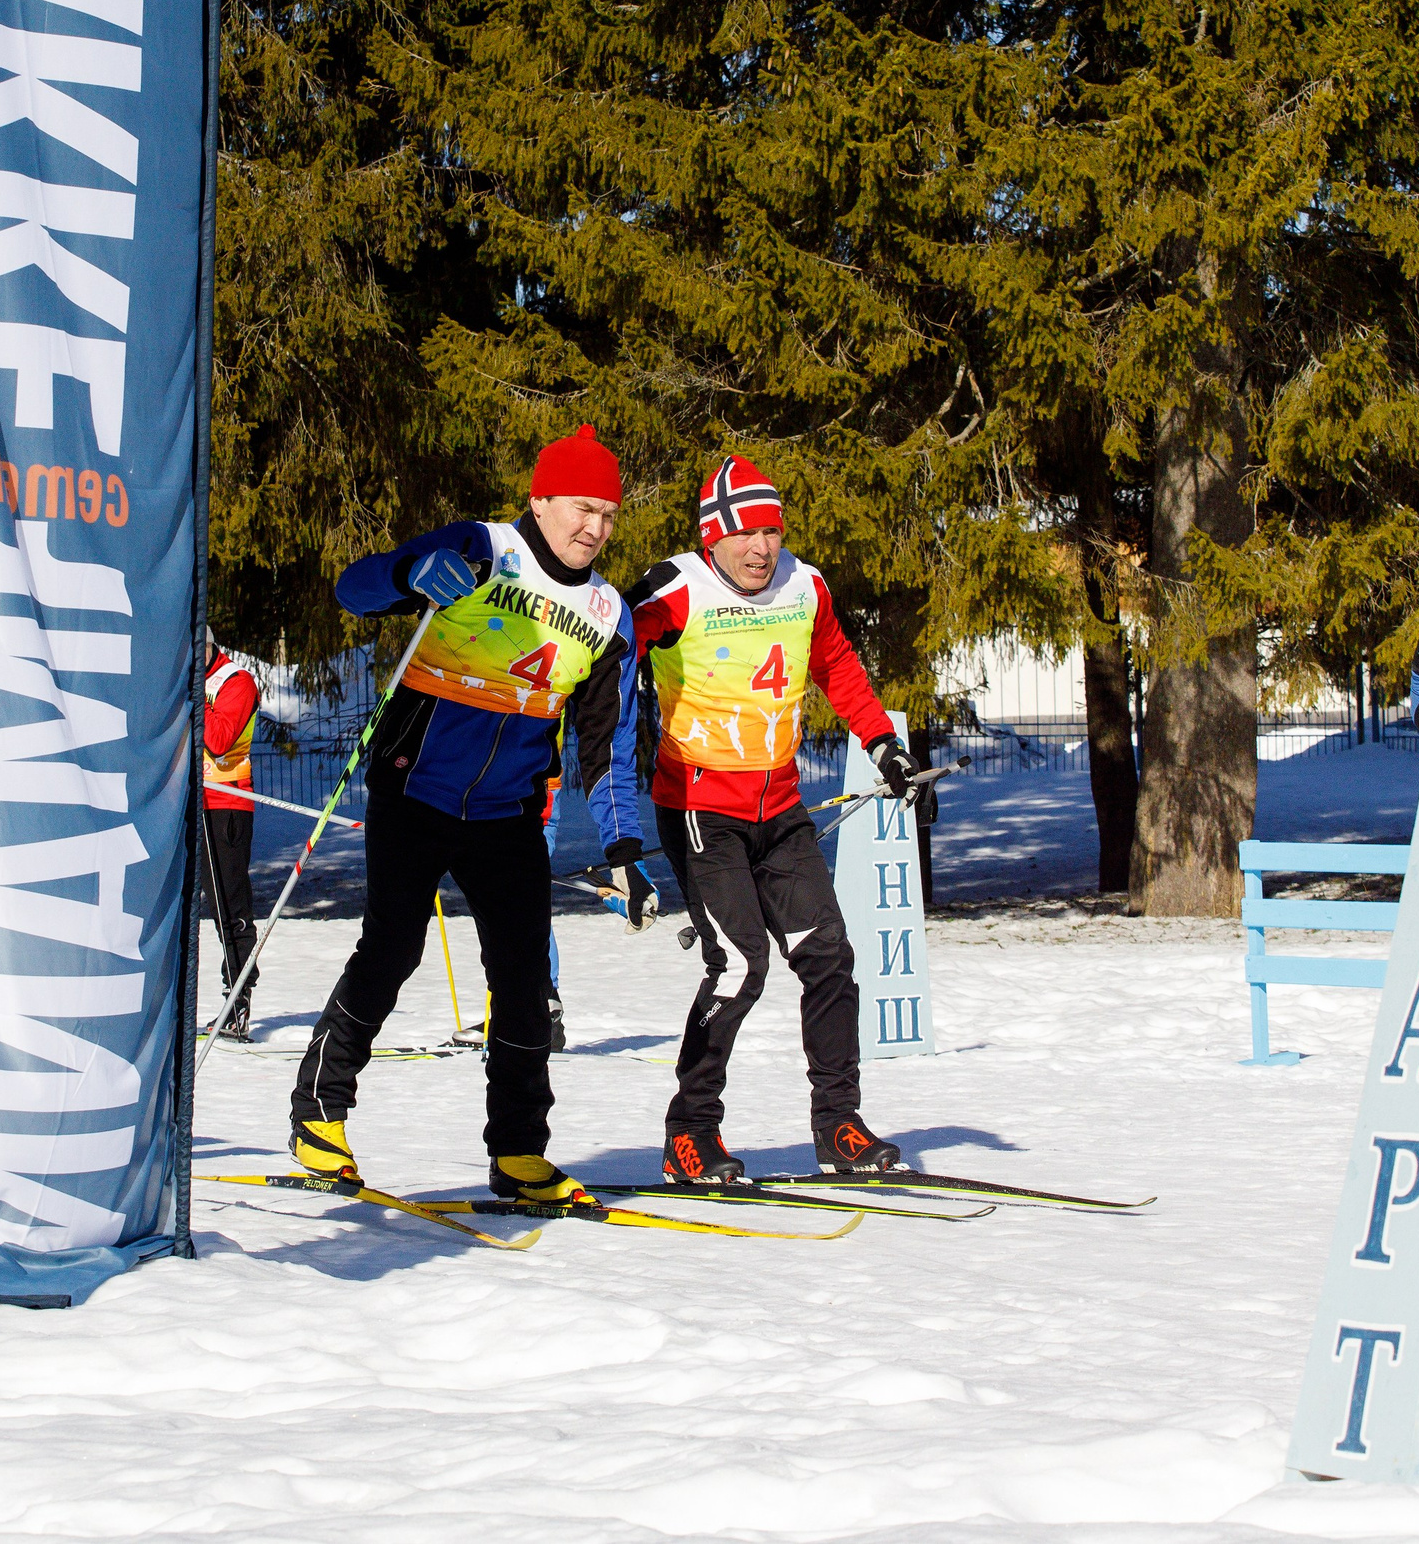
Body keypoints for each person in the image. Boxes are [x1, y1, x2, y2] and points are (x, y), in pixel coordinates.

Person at [289, 426, 658, 1203]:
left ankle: (520, 1152)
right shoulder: (483, 549)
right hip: (413, 787)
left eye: (608, 515)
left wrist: (624, 842)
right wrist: (409, 574)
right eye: (580, 508)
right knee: (392, 951)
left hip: (507, 813)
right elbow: (353, 589)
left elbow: (607, 744)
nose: (593, 527)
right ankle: (319, 1112)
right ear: (540, 500)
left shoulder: (606, 613)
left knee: (522, 980)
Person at [626, 455, 936, 1184]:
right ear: (713, 539)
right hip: (701, 809)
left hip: (781, 807)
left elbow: (835, 662)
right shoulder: (675, 589)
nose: (760, 548)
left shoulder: (805, 585)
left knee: (829, 956)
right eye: (744, 535)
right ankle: (689, 1134)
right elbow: (607, 651)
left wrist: (884, 743)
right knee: (738, 966)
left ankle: (839, 1127)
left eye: (770, 530)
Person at [202, 632, 263, 1039]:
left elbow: (219, 740)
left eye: (197, 648)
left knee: (229, 906)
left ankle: (238, 998)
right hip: (185, 804)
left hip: (225, 805)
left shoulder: (234, 681)